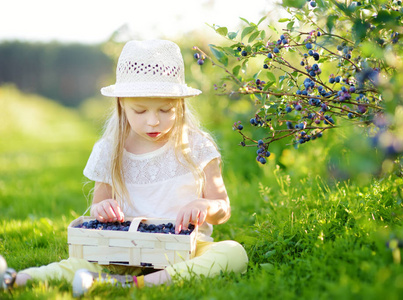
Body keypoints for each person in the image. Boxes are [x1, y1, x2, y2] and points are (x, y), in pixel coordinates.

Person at [3, 40, 248, 296]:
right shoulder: (110, 150)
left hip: (186, 249)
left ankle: (129, 284)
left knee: (232, 252)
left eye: (166, 110)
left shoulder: (196, 145)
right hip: (125, 250)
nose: (153, 121)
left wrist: (205, 206)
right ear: (121, 104)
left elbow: (223, 209)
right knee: (77, 263)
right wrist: (102, 209)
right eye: (140, 111)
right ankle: (16, 279)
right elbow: (99, 206)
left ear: (181, 105)